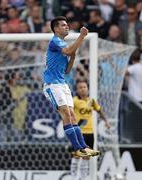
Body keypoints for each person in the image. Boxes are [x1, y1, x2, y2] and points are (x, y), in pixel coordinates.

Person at [42, 16, 99, 157]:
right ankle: (77, 148)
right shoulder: (55, 41)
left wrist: (73, 57)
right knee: (66, 114)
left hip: (62, 84)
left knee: (73, 115)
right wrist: (82, 36)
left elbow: (67, 70)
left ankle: (83, 147)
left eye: (67, 24)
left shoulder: (62, 44)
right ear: (56, 29)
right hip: (52, 85)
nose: (67, 26)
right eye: (63, 25)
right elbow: (68, 51)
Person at [71, 80, 110, 179]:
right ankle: (73, 177)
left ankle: (83, 177)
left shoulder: (91, 101)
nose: (83, 89)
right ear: (77, 90)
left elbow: (99, 110)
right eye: (80, 87)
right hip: (79, 133)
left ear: (87, 89)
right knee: (76, 156)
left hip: (90, 133)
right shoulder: (74, 100)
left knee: (86, 157)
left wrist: (106, 121)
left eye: (84, 87)